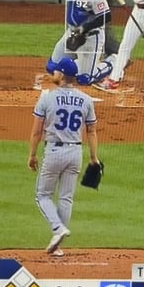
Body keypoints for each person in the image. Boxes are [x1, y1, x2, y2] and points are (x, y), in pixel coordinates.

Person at [28, 56, 99, 257]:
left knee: (42, 195)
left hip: (54, 151)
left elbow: (36, 132)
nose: (53, 73)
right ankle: (58, 244)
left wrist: (32, 155)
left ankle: (58, 228)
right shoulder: (86, 100)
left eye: (55, 71)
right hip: (75, 152)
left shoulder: (47, 98)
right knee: (66, 198)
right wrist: (94, 158)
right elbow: (92, 131)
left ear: (61, 75)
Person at [46, 0, 117, 87]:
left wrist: (84, 28)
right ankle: (81, 64)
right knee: (52, 67)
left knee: (85, 79)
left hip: (90, 38)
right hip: (72, 32)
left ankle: (114, 61)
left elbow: (106, 16)